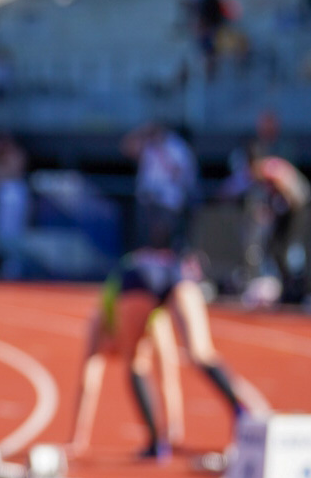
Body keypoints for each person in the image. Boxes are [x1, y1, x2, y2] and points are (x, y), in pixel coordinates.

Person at [81, 232, 246, 460]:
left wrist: (78, 438)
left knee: (135, 363)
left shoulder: (102, 318)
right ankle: (242, 412)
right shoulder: (152, 317)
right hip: (176, 273)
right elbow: (169, 370)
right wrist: (175, 427)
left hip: (138, 279)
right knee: (200, 352)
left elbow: (88, 380)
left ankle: (155, 443)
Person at [69, 264, 186, 461]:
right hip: (140, 283)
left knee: (138, 366)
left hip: (139, 286)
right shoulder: (101, 322)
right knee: (138, 366)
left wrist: (175, 426)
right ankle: (163, 437)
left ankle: (165, 435)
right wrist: (77, 439)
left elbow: (168, 374)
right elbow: (87, 382)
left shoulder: (143, 320)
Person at [246, 146, 311, 303]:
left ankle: (298, 286)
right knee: (276, 247)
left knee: (285, 247)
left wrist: (277, 210)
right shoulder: (266, 170)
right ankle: (287, 285)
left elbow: (289, 194)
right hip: (291, 209)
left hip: (298, 208)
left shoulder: (269, 169)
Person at [121, 123, 198, 252]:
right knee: (145, 241)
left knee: (165, 241)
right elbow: (126, 149)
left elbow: (179, 175)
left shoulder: (178, 147)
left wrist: (162, 152)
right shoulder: (148, 145)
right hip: (147, 200)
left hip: (168, 204)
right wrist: (141, 131)